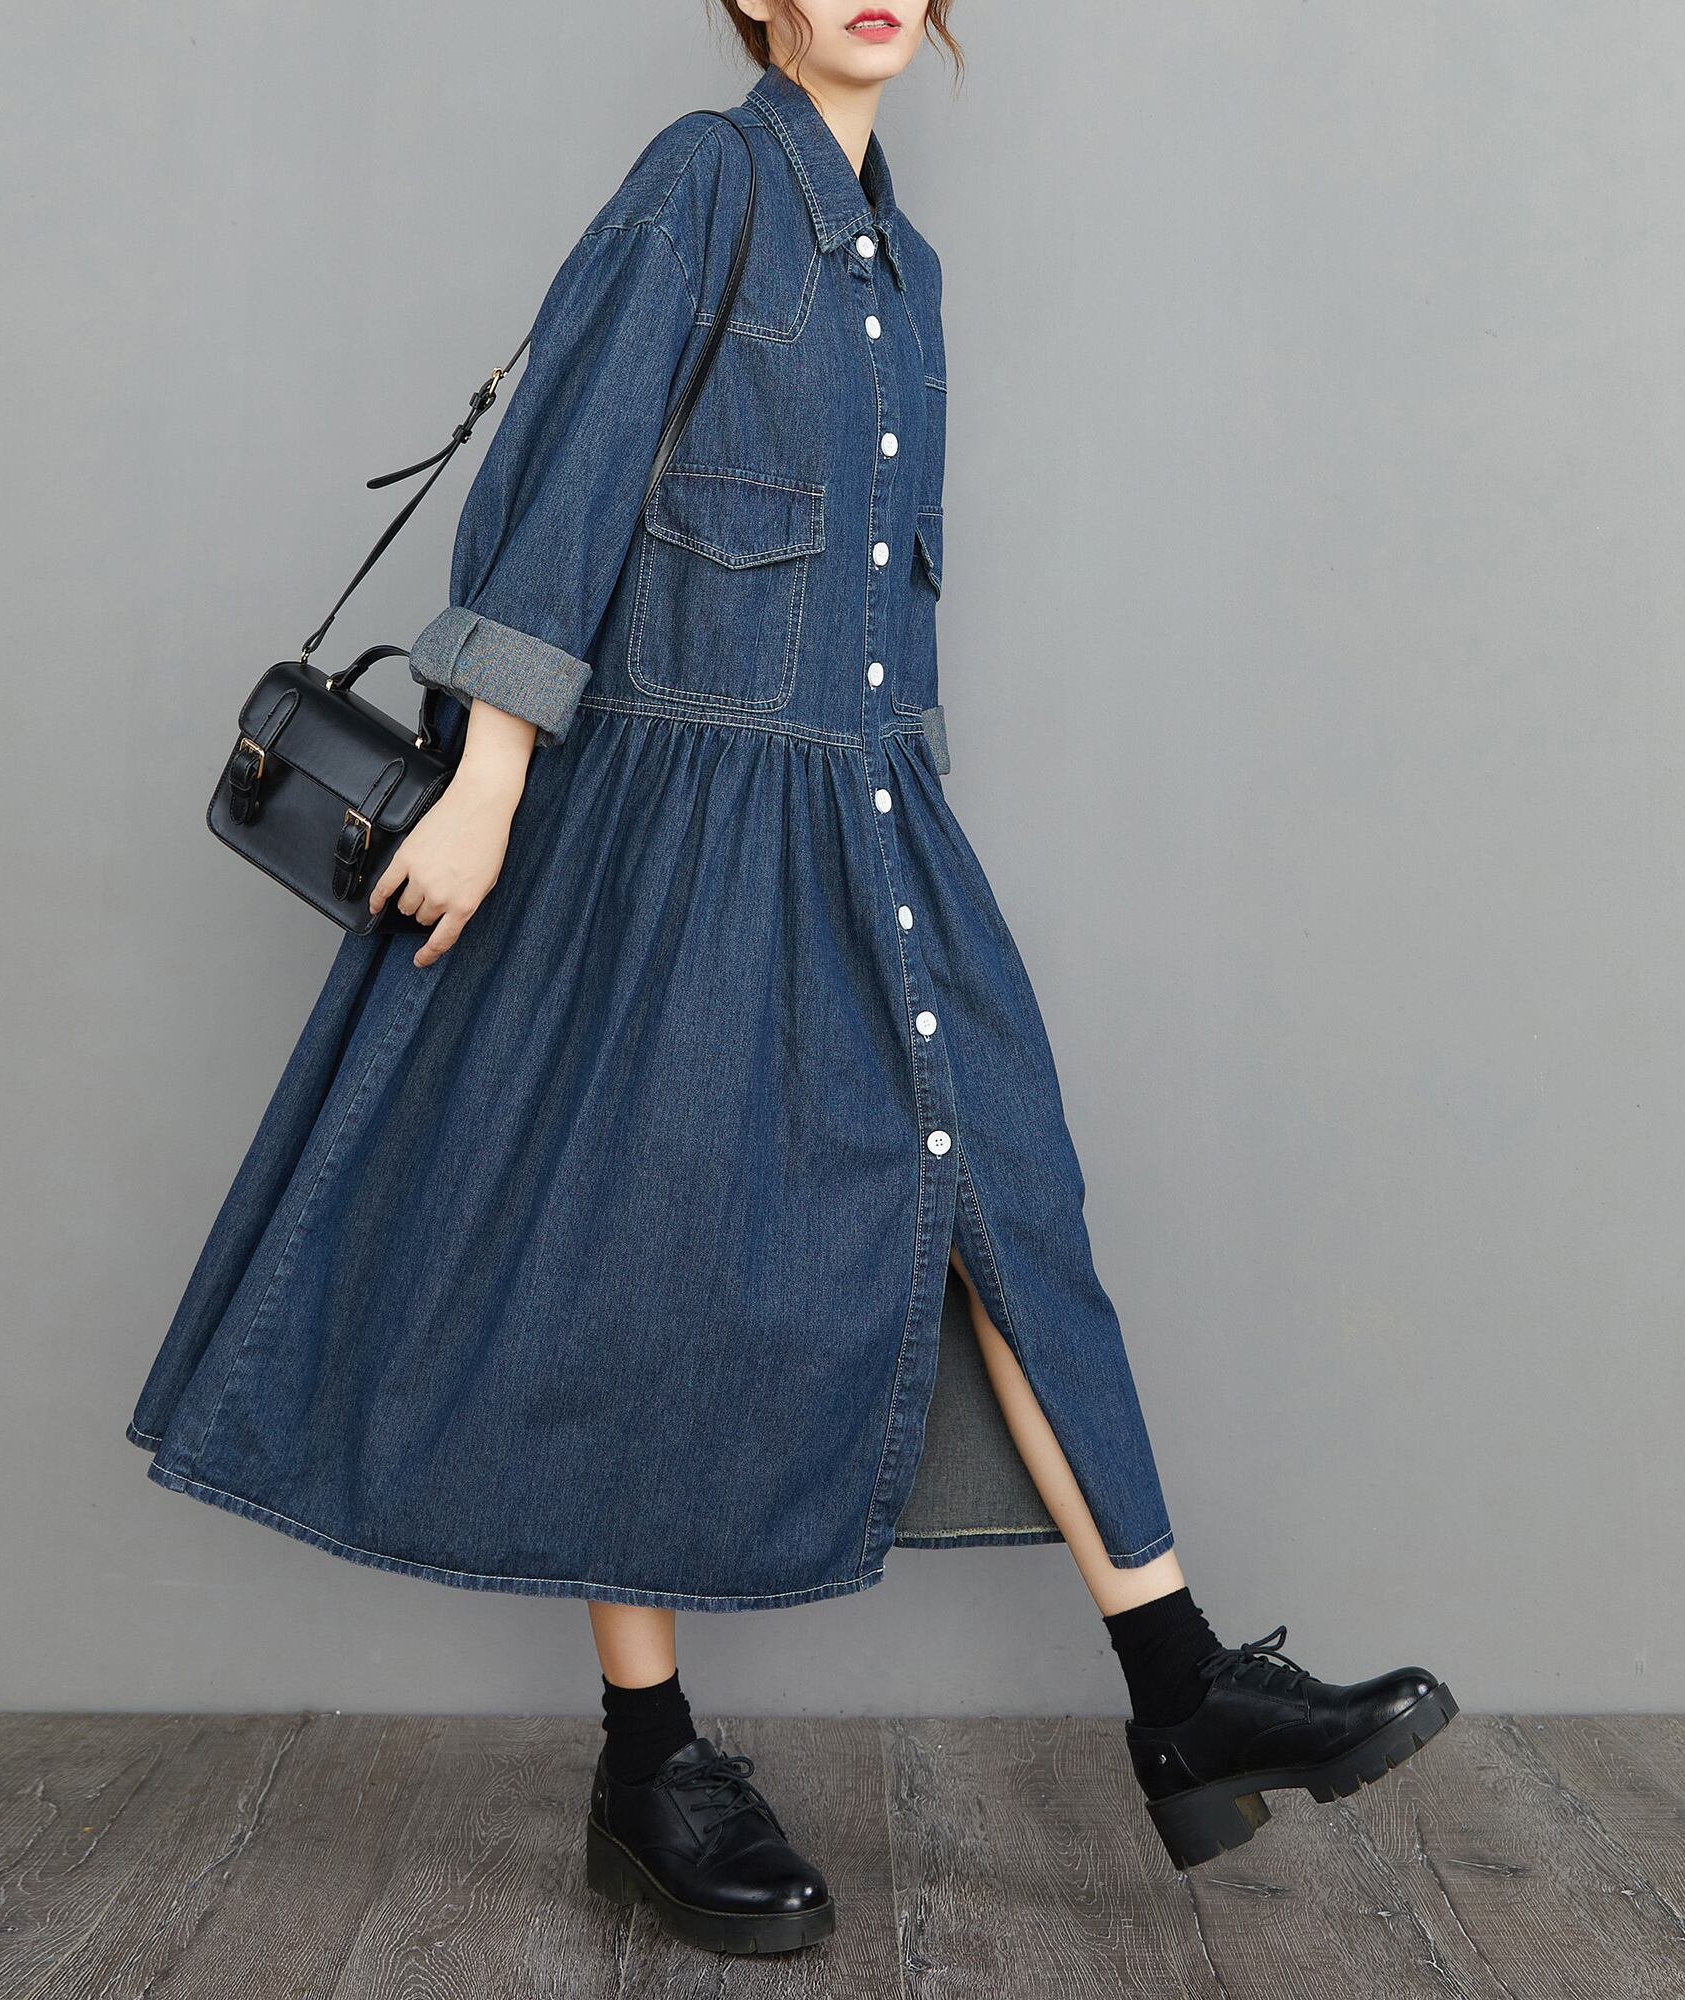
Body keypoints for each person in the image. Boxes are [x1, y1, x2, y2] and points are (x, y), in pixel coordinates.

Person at [126, 0, 1454, 1956]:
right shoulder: (703, 180)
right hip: (666, 819)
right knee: (647, 1251)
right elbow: (569, 471)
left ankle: (1180, 1686)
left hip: (865, 814)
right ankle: (649, 1759)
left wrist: (900, 798)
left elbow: (888, 597)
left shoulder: (910, 271)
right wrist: (486, 783)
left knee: (1010, 1201)